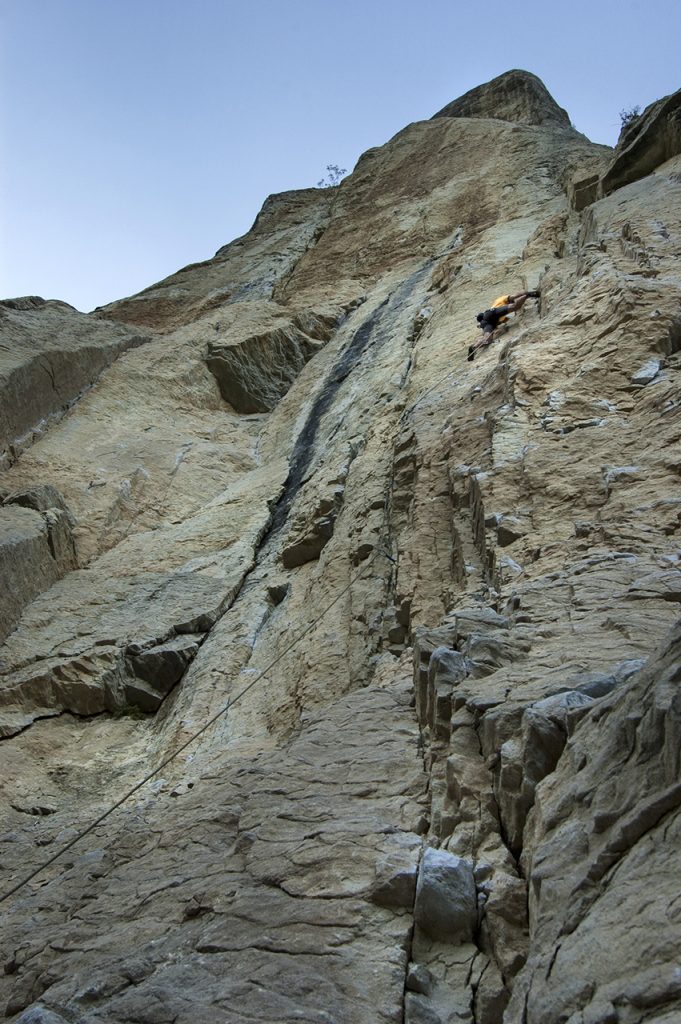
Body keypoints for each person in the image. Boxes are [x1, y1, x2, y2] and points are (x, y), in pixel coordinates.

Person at [468, 290, 540, 360]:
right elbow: (515, 296)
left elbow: (502, 321)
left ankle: (474, 346)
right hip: (491, 314)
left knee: (487, 339)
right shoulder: (500, 300)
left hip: (489, 322)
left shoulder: (485, 322)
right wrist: (526, 293)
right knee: (515, 306)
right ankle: (528, 295)